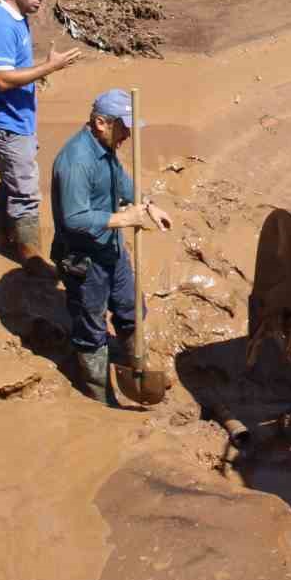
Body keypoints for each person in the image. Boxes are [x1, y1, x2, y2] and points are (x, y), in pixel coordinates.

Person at [51, 89, 172, 405]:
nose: (128, 134)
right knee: (91, 329)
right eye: (124, 126)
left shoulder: (106, 149)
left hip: (112, 251)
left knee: (133, 309)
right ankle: (100, 396)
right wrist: (124, 219)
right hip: (84, 259)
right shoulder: (76, 161)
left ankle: (137, 368)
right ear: (101, 122)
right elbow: (74, 218)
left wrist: (146, 206)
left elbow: (123, 185)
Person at [0, 0, 81, 276]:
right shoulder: (1, 25)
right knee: (27, 192)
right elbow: (3, 80)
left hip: (15, 120)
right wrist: (49, 68)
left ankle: (5, 237)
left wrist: (39, 73)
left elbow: (14, 72)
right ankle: (31, 260)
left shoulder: (17, 19)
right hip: (5, 124)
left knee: (13, 182)